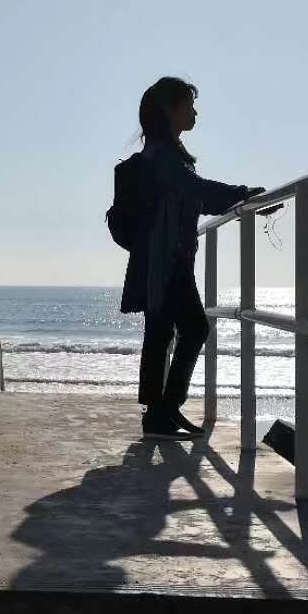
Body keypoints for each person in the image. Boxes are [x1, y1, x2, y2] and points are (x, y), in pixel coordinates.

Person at [120, 78, 262, 440]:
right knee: (193, 328)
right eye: (189, 105)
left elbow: (198, 199)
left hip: (163, 256)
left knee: (162, 331)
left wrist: (242, 201)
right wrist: (242, 194)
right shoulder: (163, 156)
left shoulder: (164, 154)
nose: (195, 112)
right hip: (166, 257)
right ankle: (164, 410)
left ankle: (160, 415)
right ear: (170, 109)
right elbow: (196, 189)